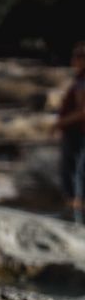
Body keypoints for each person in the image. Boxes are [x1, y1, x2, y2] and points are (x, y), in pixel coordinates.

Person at [57, 40, 85, 222]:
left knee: (72, 173)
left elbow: (83, 111)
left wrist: (59, 123)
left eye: (76, 56)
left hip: (77, 132)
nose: (72, 60)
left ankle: (73, 216)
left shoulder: (82, 82)